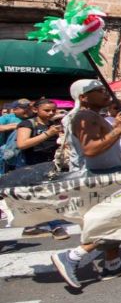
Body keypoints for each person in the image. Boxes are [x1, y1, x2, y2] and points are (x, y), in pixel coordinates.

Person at [51, 79, 121, 289]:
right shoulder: (84, 116)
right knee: (118, 217)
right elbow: (91, 149)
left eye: (104, 89)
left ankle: (113, 264)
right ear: (83, 97)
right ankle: (72, 255)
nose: (106, 94)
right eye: (98, 91)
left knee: (113, 218)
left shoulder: (91, 115)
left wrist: (120, 158)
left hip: (103, 174)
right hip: (95, 179)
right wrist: (120, 128)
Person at [15, 99, 70, 240]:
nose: (51, 113)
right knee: (43, 196)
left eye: (53, 110)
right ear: (36, 110)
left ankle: (33, 226)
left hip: (50, 165)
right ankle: (55, 226)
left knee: (50, 196)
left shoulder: (53, 124)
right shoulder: (27, 124)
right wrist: (47, 134)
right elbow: (22, 144)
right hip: (30, 166)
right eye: (47, 110)